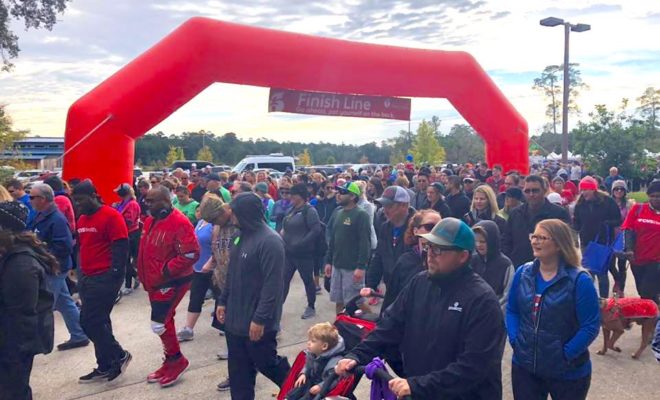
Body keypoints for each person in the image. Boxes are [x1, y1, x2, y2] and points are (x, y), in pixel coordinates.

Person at [335, 218, 505, 399]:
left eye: (438, 249)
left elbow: (473, 367)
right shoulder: (419, 283)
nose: (430, 254)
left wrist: (417, 385)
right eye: (428, 246)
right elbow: (389, 327)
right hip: (421, 392)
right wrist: (356, 356)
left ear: (462, 256)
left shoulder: (482, 301)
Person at [506, 219, 600, 400]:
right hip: (525, 368)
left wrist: (565, 354)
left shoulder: (580, 280)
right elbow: (512, 310)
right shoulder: (523, 273)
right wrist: (516, 340)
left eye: (542, 237)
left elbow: (590, 326)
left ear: (558, 244)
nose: (535, 241)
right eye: (533, 236)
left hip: (568, 372)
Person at [216, 192, 291, 400]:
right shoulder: (239, 235)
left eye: (235, 212)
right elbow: (232, 272)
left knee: (267, 363)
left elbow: (273, 285)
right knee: (239, 373)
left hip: (258, 322)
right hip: (235, 321)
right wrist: (223, 301)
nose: (231, 216)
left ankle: (299, 389)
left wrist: (260, 319)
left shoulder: (271, 241)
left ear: (246, 214)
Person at [137, 186, 200, 387]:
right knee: (165, 322)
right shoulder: (150, 221)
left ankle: (177, 360)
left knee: (159, 323)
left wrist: (165, 271)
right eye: (147, 201)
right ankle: (171, 360)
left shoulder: (180, 222)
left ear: (166, 201)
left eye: (152, 201)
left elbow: (191, 254)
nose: (148, 205)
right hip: (154, 281)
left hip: (171, 281)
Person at [72, 180, 131, 383]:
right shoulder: (81, 219)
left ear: (93, 196)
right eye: (75, 201)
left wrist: (115, 275)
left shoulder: (111, 216)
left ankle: (119, 354)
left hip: (104, 277)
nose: (78, 205)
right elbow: (82, 247)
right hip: (87, 277)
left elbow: (121, 246)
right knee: (100, 322)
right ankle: (105, 365)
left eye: (80, 200)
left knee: (89, 321)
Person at [0, 201, 57, 400]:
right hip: (12, 340)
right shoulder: (9, 255)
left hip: (15, 344)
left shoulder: (21, 265)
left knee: (13, 391)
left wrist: (11, 354)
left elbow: (19, 314)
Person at [28, 184, 89, 350]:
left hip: (54, 269)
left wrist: (43, 256)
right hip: (50, 266)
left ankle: (35, 343)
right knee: (64, 302)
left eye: (32, 197)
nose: (29, 200)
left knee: (44, 306)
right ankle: (80, 334)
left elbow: (64, 246)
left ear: (43, 199)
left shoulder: (56, 219)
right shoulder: (41, 215)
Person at [502, 175, 571, 268]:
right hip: (519, 268)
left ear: (544, 190)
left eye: (535, 190)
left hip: (550, 269)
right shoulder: (515, 213)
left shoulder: (559, 214)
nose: (531, 194)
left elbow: (567, 243)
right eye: (527, 191)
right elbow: (506, 241)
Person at [325, 182, 372, 314]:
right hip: (337, 265)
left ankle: (375, 325)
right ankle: (339, 327)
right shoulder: (338, 213)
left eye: (342, 192)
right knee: (339, 300)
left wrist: (361, 266)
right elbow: (333, 240)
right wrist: (328, 261)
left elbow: (365, 243)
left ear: (352, 196)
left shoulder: (361, 215)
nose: (338, 195)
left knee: (357, 301)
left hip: (352, 268)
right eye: (338, 192)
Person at [573, 176, 621, 298]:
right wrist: (574, 235)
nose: (583, 192)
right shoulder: (580, 204)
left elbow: (617, 219)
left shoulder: (607, 201)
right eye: (582, 190)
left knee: (601, 272)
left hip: (602, 242)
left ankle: (604, 299)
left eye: (586, 189)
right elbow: (576, 223)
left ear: (594, 189)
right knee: (588, 272)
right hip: (586, 242)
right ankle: (590, 298)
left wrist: (605, 223)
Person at [281, 183, 322, 320]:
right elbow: (285, 227)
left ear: (301, 196)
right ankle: (277, 307)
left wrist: (301, 243)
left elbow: (315, 230)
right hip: (289, 253)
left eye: (294, 194)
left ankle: (311, 306)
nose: (291, 196)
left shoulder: (309, 211)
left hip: (303, 254)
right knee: (284, 280)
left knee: (307, 280)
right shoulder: (291, 210)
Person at [367, 186, 414, 299]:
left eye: (389, 206)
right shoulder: (385, 227)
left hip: (412, 291)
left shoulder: (417, 228)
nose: (385, 210)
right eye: (384, 205)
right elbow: (379, 256)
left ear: (404, 205)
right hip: (391, 288)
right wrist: (370, 284)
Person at [177, 205, 214, 342]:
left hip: (212, 268)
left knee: (222, 297)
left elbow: (216, 246)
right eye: (197, 210)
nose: (197, 212)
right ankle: (189, 328)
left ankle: (226, 326)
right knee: (195, 297)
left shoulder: (214, 225)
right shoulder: (199, 223)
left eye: (200, 209)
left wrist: (211, 262)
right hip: (198, 268)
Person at [621, 180, 660, 304]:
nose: (656, 199)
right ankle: (653, 315)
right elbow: (628, 229)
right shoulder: (638, 209)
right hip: (637, 258)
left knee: (647, 293)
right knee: (642, 292)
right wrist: (629, 249)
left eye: (659, 196)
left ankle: (651, 320)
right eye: (652, 196)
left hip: (656, 261)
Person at [286, 323, 345, 400]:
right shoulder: (313, 353)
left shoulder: (334, 362)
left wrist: (320, 386)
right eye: (309, 340)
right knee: (301, 384)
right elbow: (308, 365)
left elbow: (333, 380)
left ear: (324, 346)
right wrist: (304, 373)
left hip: (323, 386)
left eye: (313, 341)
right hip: (312, 379)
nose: (308, 343)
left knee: (311, 395)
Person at [472, 220, 514, 312]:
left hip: (494, 313)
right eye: (476, 241)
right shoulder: (472, 260)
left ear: (492, 241)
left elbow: (507, 296)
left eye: (483, 241)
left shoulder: (505, 264)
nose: (478, 245)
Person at [112, 183, 142, 295]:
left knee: (126, 260)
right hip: (124, 233)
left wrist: (117, 217)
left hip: (131, 234)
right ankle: (134, 277)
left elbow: (129, 220)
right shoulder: (123, 203)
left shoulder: (132, 204)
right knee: (125, 260)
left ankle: (131, 282)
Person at [610, 180, 634, 297]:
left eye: (621, 189)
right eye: (616, 189)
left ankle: (621, 289)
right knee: (609, 263)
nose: (619, 191)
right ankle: (617, 279)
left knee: (621, 264)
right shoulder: (608, 203)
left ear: (625, 191)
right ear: (612, 191)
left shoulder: (629, 204)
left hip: (623, 237)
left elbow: (632, 221)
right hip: (609, 237)